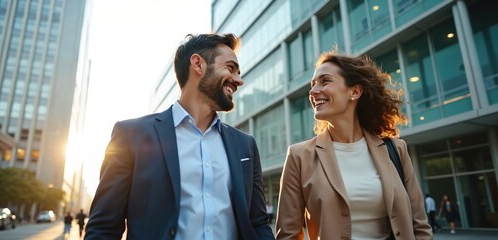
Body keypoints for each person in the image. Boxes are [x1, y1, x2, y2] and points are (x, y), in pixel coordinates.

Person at [85, 33, 274, 240]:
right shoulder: (131, 136)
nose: (239, 80)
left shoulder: (245, 145)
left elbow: (258, 223)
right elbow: (103, 227)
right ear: (198, 64)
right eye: (230, 68)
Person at [275, 51, 432, 239]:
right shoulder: (299, 156)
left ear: (355, 92)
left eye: (325, 81)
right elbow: (288, 234)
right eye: (313, 84)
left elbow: (420, 226)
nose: (313, 91)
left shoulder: (397, 150)